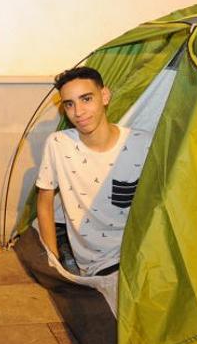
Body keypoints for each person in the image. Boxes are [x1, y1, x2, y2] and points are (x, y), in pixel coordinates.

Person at [35, 66, 152, 277]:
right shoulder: (59, 145)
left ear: (105, 96)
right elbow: (44, 203)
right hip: (101, 262)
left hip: (145, 252)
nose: (78, 112)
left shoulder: (142, 143)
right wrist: (55, 264)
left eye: (86, 99)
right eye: (69, 104)